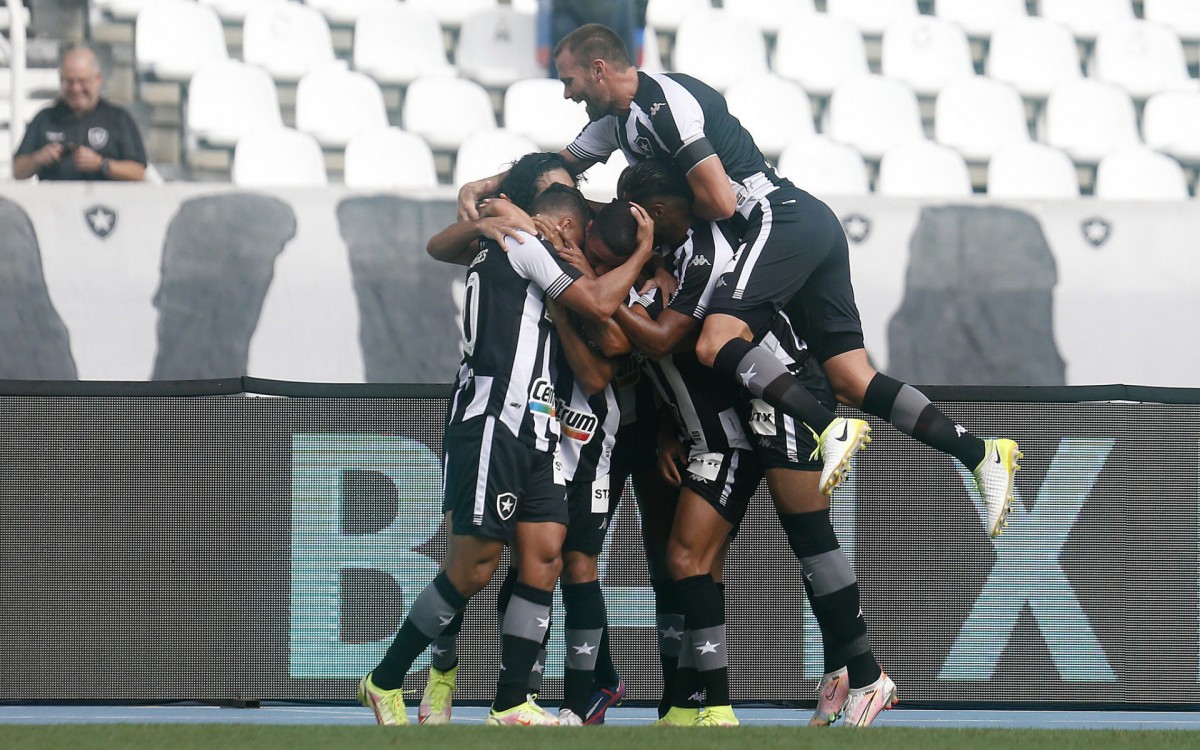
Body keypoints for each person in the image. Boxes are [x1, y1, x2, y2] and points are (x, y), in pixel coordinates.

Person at [457, 23, 1022, 541]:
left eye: (570, 80)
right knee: (852, 376)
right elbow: (561, 166)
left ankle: (828, 428)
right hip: (810, 224)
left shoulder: (667, 105)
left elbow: (722, 200)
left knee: (713, 340)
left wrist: (658, 244)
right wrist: (487, 184)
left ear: (600, 68)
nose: (567, 93)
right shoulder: (616, 122)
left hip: (777, 218)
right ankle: (978, 453)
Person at [359, 185, 654, 727]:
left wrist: (478, 221)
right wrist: (642, 251)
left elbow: (443, 243)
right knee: (472, 568)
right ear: (564, 227)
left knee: (544, 556)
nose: (581, 252)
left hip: (537, 426)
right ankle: (384, 680)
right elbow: (596, 303)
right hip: (496, 421)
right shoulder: (525, 242)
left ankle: (511, 702)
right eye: (580, 239)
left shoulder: (506, 237)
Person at [617, 158, 896, 727]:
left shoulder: (712, 248)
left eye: (643, 215)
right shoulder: (678, 251)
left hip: (783, 386)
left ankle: (865, 675)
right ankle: (830, 678)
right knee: (741, 552)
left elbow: (675, 338)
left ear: (663, 210)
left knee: (810, 538)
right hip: (749, 405)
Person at [421, 153, 627, 726]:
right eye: (554, 198)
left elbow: (601, 361)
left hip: (570, 426)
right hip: (504, 410)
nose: (569, 210)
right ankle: (441, 670)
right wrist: (485, 215)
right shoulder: (521, 240)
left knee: (558, 559)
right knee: (467, 557)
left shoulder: (583, 245)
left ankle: (540, 697)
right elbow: (442, 245)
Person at [12, 44, 147, 182]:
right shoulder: (45, 118)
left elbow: (138, 173)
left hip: (105, 202)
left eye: (82, 81)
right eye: (69, 82)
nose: (76, 88)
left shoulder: (118, 119)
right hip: (54, 202)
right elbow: (18, 170)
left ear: (98, 79)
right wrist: (39, 158)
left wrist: (101, 164)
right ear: (60, 79)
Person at [537, 0, 638, 78]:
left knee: (623, 86)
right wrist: (543, 38)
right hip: (569, 12)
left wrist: (640, 36)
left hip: (618, 11)